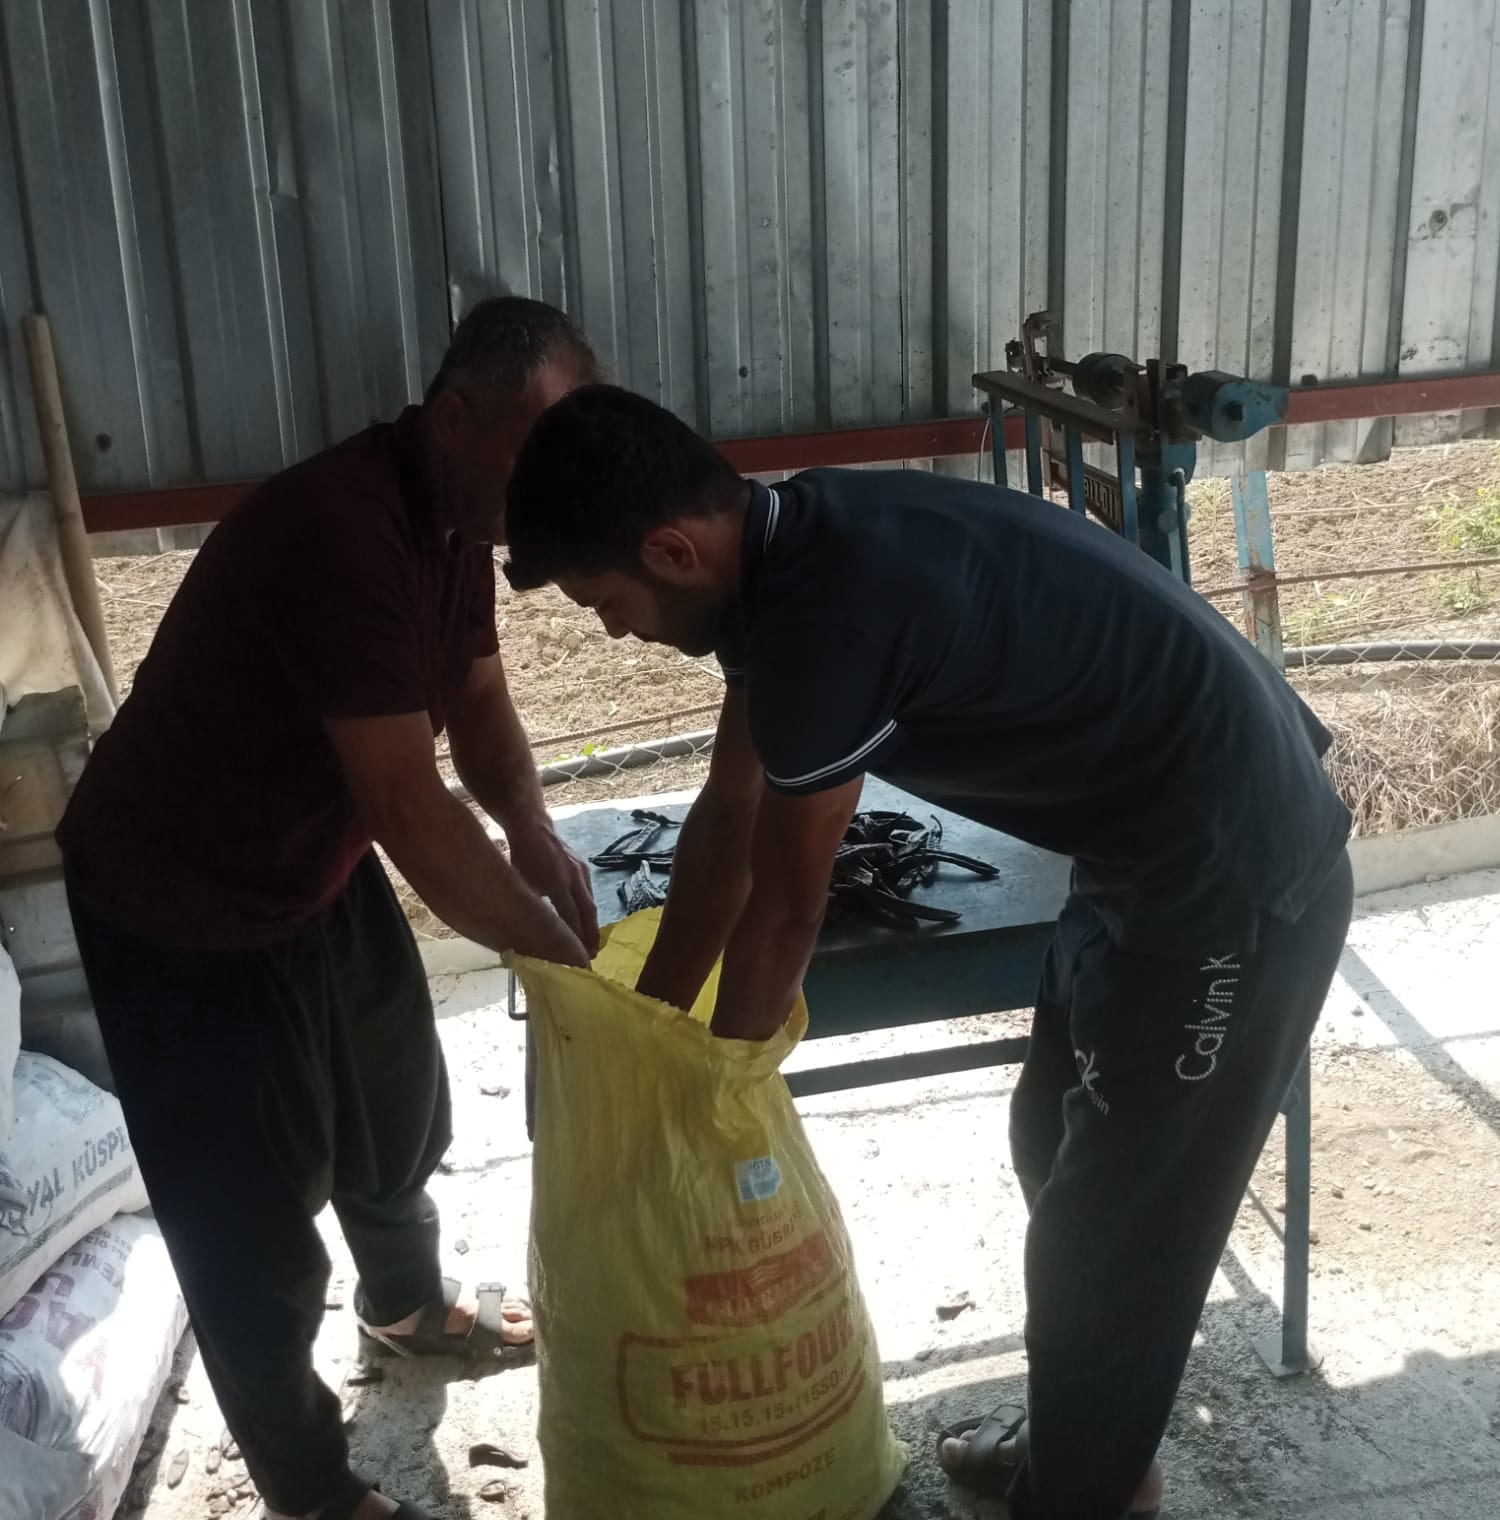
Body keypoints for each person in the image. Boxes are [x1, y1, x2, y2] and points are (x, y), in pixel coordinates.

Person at [502, 383, 1355, 1520]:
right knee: (1053, 1142)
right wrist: (656, 1032)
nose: (616, 630)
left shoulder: (825, 615)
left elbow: (784, 910)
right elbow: (728, 815)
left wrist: (712, 1090)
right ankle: (1093, 1453)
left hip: (1232, 881)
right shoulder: (788, 551)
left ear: (670, 549)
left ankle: (1088, 1495)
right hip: (1140, 853)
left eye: (606, 602)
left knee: (1117, 1233)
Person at [59, 298, 602, 1520]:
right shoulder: (341, 535)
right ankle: (306, 1483)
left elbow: (478, 697)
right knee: (249, 1228)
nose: (557, 487)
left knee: (396, 1103)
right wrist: (550, 947)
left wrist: (531, 826)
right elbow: (409, 802)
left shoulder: (461, 518)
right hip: (182, 894)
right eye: (540, 452)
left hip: (316, 853)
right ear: (455, 417)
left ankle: (402, 1304)